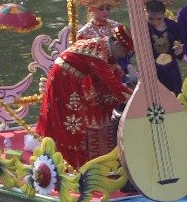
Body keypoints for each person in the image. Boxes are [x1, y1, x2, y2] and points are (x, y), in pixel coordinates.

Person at [34, 36, 130, 168]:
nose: (123, 56)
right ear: (118, 44)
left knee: (72, 120)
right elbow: (110, 81)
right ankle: (70, 163)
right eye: (124, 52)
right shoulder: (97, 52)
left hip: (70, 78)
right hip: (65, 80)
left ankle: (70, 160)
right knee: (72, 123)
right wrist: (132, 97)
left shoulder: (101, 45)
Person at [75, 0, 133, 83]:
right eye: (101, 9)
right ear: (91, 9)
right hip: (96, 78)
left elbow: (128, 52)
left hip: (120, 74)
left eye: (108, 8)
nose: (105, 12)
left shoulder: (117, 27)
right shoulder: (83, 33)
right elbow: (83, 62)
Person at [143, 0, 187, 96]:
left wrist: (180, 50)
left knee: (176, 96)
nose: (155, 22)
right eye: (151, 19)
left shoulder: (172, 26)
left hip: (171, 68)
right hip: (152, 69)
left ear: (164, 15)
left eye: (159, 19)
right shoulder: (144, 28)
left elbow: (184, 42)